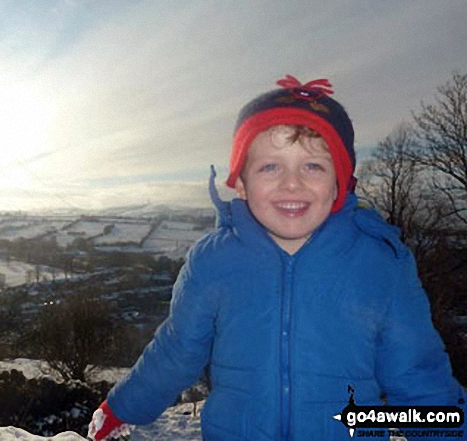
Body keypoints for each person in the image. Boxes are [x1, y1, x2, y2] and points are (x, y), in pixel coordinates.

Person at [87, 75, 466, 440]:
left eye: (313, 166)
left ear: (340, 182)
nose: (292, 183)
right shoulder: (213, 262)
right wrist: (123, 407)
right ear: (240, 183)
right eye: (270, 166)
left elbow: (418, 376)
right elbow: (177, 350)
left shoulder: (380, 265)